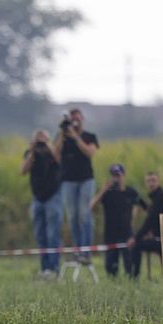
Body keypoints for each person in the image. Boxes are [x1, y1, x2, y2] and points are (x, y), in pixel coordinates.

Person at [54, 108, 99, 264]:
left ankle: (86, 251)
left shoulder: (89, 136)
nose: (74, 121)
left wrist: (75, 136)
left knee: (84, 214)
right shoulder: (63, 138)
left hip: (86, 179)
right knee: (72, 216)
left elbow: (90, 153)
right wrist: (62, 133)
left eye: (77, 118)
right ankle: (77, 249)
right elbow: (55, 154)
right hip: (68, 181)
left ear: (82, 119)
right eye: (72, 119)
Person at [22, 129, 62, 278]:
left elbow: (58, 159)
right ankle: (45, 268)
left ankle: (54, 268)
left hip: (53, 196)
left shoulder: (53, 151)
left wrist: (48, 145)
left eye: (43, 138)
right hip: (37, 198)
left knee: (53, 234)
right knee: (40, 235)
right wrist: (32, 150)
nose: (41, 141)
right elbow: (23, 170)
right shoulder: (31, 153)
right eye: (38, 139)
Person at [90, 164, 143, 277]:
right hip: (111, 233)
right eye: (113, 176)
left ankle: (131, 283)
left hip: (126, 233)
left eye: (118, 175)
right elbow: (91, 206)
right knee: (111, 268)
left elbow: (143, 205)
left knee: (130, 265)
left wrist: (134, 214)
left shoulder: (131, 192)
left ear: (123, 175)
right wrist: (103, 190)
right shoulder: (108, 193)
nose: (116, 178)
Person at [130, 172, 163, 281]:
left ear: (159, 181)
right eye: (148, 181)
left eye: (153, 180)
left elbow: (151, 219)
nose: (151, 183)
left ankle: (134, 278)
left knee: (136, 245)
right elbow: (153, 215)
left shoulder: (161, 196)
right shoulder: (156, 197)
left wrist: (136, 237)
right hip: (159, 237)